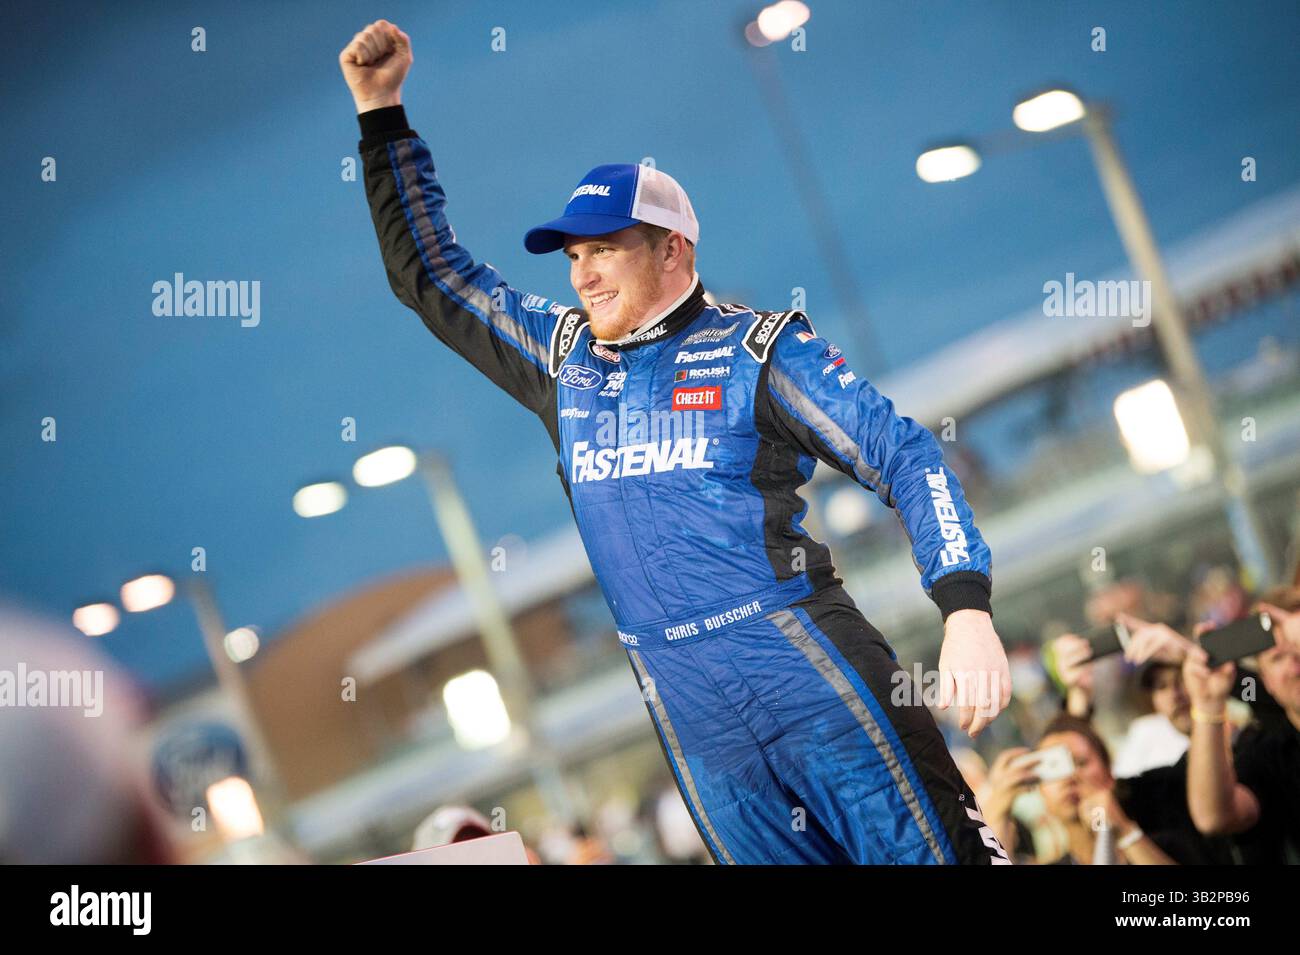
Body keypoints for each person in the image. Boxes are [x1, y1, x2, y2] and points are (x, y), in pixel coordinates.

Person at [340, 20, 1011, 864]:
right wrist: (382, 115)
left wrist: (967, 611)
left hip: (818, 686)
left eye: (607, 248)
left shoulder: (759, 349)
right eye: (573, 254)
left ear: (672, 249)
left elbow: (908, 455)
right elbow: (431, 277)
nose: (583, 272)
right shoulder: (562, 359)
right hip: (700, 736)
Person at [1185, 585, 1300, 864]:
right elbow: (1214, 817)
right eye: (1278, 658)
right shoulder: (1270, 755)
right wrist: (1208, 704)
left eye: (1299, 647)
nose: (1295, 666)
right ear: (1267, 682)